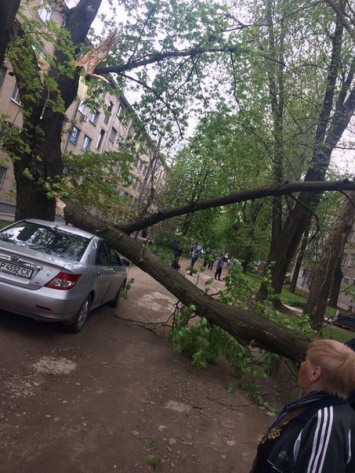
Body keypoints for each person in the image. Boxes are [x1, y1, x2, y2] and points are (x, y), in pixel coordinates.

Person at [251, 339, 355, 473]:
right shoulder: (310, 407)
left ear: (315, 373)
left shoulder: (325, 423)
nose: (301, 363)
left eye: (305, 359)